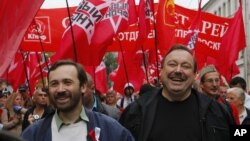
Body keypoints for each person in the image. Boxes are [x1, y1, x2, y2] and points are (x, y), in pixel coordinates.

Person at [119, 44, 233, 141]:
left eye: (185, 66)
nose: (178, 70)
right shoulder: (136, 111)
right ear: (161, 71)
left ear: (194, 75)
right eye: (172, 64)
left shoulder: (218, 111)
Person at [21, 60, 134, 141]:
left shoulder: (111, 129)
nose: (60, 89)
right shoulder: (33, 134)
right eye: (54, 84)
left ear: (83, 87)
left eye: (67, 82)